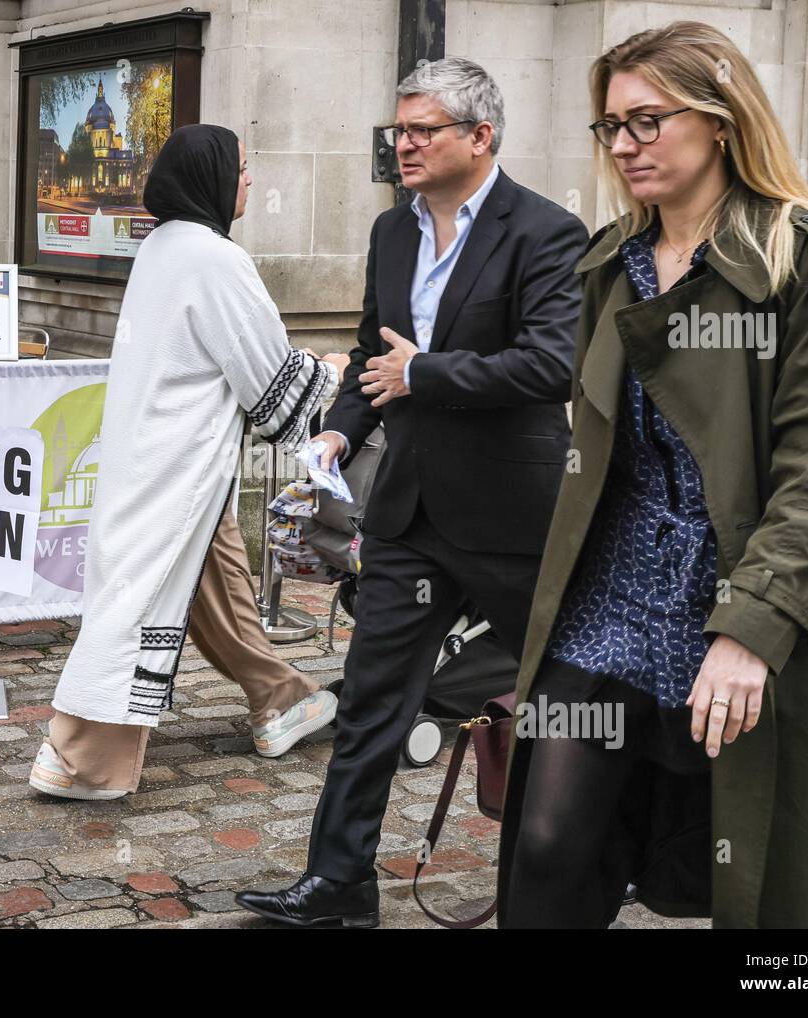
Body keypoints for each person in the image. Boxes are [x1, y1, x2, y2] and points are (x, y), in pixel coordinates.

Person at [492, 21, 808, 928]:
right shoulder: (611, 261)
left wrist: (749, 631)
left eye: (647, 120)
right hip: (611, 595)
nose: (622, 145)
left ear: (721, 119)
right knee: (546, 847)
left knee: (777, 884)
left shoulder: (799, 257)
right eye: (610, 126)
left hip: (752, 583)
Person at [237, 57, 589, 928]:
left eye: (422, 131)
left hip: (514, 516)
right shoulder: (393, 233)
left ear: (482, 136)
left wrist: (424, 373)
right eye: (397, 132)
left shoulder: (547, 231)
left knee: (564, 705)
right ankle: (339, 886)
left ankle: (572, 876)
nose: (404, 146)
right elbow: (369, 354)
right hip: (407, 514)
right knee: (369, 701)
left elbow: (554, 363)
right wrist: (337, 431)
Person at [29, 124, 346, 801]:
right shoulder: (213, 258)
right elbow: (267, 384)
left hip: (159, 459)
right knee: (138, 598)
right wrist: (332, 370)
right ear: (211, 179)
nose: (251, 179)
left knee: (206, 577)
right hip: (177, 470)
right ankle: (80, 757)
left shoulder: (163, 247)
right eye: (241, 167)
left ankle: (279, 697)